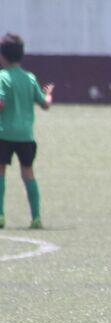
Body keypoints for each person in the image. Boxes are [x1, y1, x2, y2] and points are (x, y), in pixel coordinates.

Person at [0, 33, 54, 229]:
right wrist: (48, 95)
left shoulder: (2, 77)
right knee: (28, 174)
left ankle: (0, 215)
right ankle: (36, 217)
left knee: (0, 173)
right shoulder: (30, 78)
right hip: (25, 136)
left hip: (4, 133)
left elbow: (1, 102)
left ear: (2, 56)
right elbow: (45, 105)